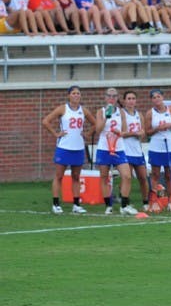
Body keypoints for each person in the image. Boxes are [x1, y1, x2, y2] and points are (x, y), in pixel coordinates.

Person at [42, 85, 96, 214]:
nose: (76, 95)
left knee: (76, 176)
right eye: (74, 93)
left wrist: (87, 134)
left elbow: (95, 123)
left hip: (78, 147)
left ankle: (76, 204)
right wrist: (56, 134)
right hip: (64, 147)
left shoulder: (84, 110)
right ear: (69, 95)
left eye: (78, 93)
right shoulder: (63, 108)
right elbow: (46, 121)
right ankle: (56, 204)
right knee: (59, 175)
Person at [94, 87, 138, 216]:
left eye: (114, 96)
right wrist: (106, 117)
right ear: (105, 98)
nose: (112, 98)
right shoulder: (101, 111)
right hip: (104, 147)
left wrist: (120, 133)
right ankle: (108, 205)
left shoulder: (121, 112)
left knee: (127, 175)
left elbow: (124, 131)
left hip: (118, 147)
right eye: (109, 96)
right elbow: (98, 130)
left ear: (117, 98)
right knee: (104, 176)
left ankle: (124, 205)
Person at [145, 88, 171, 200]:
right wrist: (157, 128)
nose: (156, 99)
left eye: (158, 96)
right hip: (156, 147)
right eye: (154, 97)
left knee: (169, 174)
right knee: (155, 174)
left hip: (169, 146)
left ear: (162, 98)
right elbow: (147, 132)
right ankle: (155, 200)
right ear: (151, 100)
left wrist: (170, 126)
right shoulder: (150, 113)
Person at [120, 90, 150, 211]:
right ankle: (125, 203)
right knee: (127, 178)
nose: (131, 101)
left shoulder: (139, 114)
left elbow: (143, 133)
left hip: (137, 150)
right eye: (129, 98)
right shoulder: (122, 113)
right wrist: (133, 133)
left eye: (133, 98)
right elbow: (121, 133)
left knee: (143, 177)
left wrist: (141, 134)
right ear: (124, 101)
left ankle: (146, 202)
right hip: (125, 150)